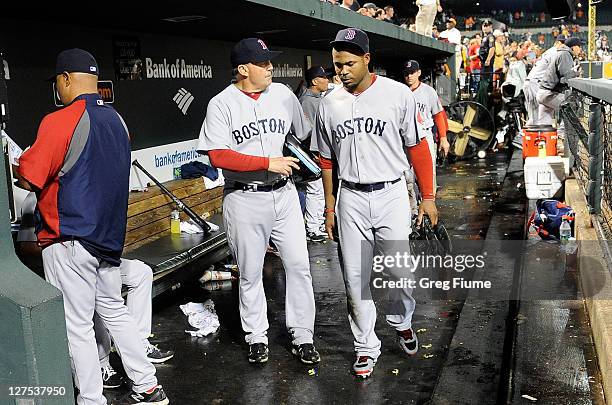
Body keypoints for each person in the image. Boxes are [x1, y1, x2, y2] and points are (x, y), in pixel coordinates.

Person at [15, 48, 168, 405]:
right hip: (108, 240)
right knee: (114, 310)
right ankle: (148, 386)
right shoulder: (117, 120)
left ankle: (91, 399)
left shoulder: (59, 120)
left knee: (78, 326)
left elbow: (29, 178)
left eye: (58, 81)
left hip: (69, 238)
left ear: (66, 79)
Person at [315, 28, 438, 379]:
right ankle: (366, 347)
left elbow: (418, 149)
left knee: (399, 271)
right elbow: (326, 160)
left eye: (349, 63)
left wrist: (427, 197)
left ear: (368, 59)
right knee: (355, 280)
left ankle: (402, 321)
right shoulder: (329, 103)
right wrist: (328, 206)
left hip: (391, 194)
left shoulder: (398, 95)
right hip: (349, 196)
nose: (341, 71)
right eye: (337, 64)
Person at [196, 38, 320, 365]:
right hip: (244, 197)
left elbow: (301, 133)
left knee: (299, 266)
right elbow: (218, 155)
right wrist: (266, 162)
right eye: (262, 63)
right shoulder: (222, 103)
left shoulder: (281, 94)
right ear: (242, 69)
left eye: (270, 62)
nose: (270, 68)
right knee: (250, 272)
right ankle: (256, 336)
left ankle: (303, 335)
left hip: (285, 193)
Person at [15, 191, 175, 390]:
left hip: (95, 258)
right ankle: (101, 364)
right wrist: (59, 255)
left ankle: (139, 343)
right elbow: (26, 247)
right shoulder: (37, 197)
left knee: (141, 273)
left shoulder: (85, 189)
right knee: (90, 301)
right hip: (62, 262)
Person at [299, 66, 330, 243]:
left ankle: (316, 224)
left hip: (317, 151)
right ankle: (312, 227)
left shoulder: (318, 98)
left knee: (319, 190)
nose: (327, 80)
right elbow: (306, 131)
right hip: (311, 152)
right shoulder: (307, 101)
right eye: (323, 78)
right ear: (314, 81)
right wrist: (313, 152)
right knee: (315, 189)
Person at [536, 37, 583, 143]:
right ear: (573, 46)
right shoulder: (565, 54)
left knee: (544, 127)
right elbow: (566, 77)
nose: (580, 49)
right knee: (572, 105)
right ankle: (562, 136)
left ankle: (546, 147)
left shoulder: (562, 53)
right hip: (549, 93)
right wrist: (577, 73)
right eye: (579, 46)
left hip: (543, 93)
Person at [522, 35, 566, 125]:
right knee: (536, 119)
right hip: (535, 84)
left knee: (534, 118)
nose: (564, 46)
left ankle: (525, 136)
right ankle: (526, 137)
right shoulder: (555, 52)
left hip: (531, 83)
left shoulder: (549, 51)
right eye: (563, 43)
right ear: (558, 43)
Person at [476, 20, 496, 107]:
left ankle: (485, 103)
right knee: (483, 81)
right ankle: (482, 101)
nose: (485, 27)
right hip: (484, 63)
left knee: (486, 82)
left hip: (487, 64)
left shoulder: (490, 36)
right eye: (484, 25)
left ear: (491, 27)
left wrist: (488, 59)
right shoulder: (485, 37)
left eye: (487, 26)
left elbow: (492, 49)